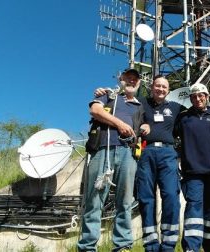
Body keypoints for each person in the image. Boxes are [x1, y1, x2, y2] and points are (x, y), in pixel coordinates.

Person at [78, 68, 147, 252]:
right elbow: (95, 110)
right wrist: (119, 123)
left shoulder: (140, 106)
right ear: (120, 80)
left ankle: (123, 246)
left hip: (128, 153)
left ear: (139, 83)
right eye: (127, 78)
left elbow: (147, 123)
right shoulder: (109, 95)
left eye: (135, 79)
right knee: (94, 200)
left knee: (124, 202)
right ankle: (87, 247)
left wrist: (146, 125)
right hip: (103, 150)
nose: (131, 81)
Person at [135, 75, 185, 252]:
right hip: (146, 153)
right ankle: (151, 245)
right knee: (146, 198)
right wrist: (105, 93)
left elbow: (196, 111)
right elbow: (123, 101)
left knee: (171, 196)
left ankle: (169, 245)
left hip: (168, 153)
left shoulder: (176, 107)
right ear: (152, 87)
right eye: (158, 86)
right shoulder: (141, 103)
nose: (161, 89)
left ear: (168, 90)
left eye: (164, 87)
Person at [174, 83, 210, 252]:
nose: (198, 99)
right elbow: (168, 134)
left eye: (201, 95)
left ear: (207, 96)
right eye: (194, 96)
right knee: (193, 211)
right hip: (192, 174)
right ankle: (191, 248)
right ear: (190, 99)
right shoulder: (183, 118)